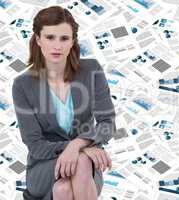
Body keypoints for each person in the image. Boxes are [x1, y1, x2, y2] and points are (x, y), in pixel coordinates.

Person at [11, 6, 116, 200]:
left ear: (73, 41)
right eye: (50, 37)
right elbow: (35, 145)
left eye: (64, 38)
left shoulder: (91, 70)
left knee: (64, 190)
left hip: (87, 167)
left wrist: (78, 144)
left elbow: (107, 124)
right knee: (82, 162)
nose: (57, 46)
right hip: (44, 166)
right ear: (38, 39)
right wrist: (79, 148)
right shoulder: (22, 84)